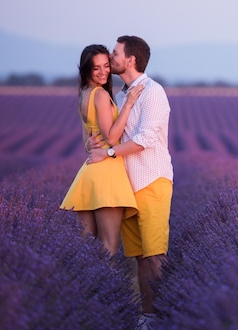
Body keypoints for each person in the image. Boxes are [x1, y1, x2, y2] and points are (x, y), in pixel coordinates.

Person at [87, 35, 174, 324]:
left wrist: (109, 152)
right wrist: (95, 143)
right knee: (138, 256)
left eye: (115, 52)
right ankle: (147, 317)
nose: (111, 57)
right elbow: (111, 133)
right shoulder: (121, 95)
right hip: (126, 185)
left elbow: (146, 138)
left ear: (131, 59)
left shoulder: (153, 92)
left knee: (154, 255)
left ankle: (160, 317)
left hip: (152, 180)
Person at [60, 44, 144, 256]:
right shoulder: (99, 95)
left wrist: (90, 144)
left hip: (89, 173)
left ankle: (85, 288)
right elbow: (112, 137)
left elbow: (86, 141)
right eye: (96, 68)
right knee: (109, 246)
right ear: (86, 69)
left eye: (106, 66)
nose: (103, 72)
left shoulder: (83, 94)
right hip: (107, 173)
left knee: (85, 248)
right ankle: (106, 289)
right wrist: (129, 103)